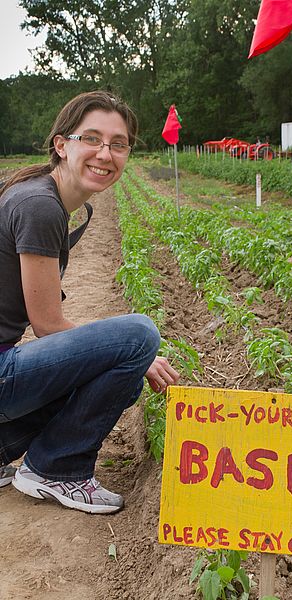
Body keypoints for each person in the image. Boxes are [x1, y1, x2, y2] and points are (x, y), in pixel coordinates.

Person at [0, 90, 180, 514]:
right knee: (139, 336)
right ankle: (55, 468)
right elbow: (46, 325)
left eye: (119, 144)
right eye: (93, 139)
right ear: (62, 145)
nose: (106, 153)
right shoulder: (40, 205)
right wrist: (134, 353)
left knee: (124, 374)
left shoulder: (45, 197)